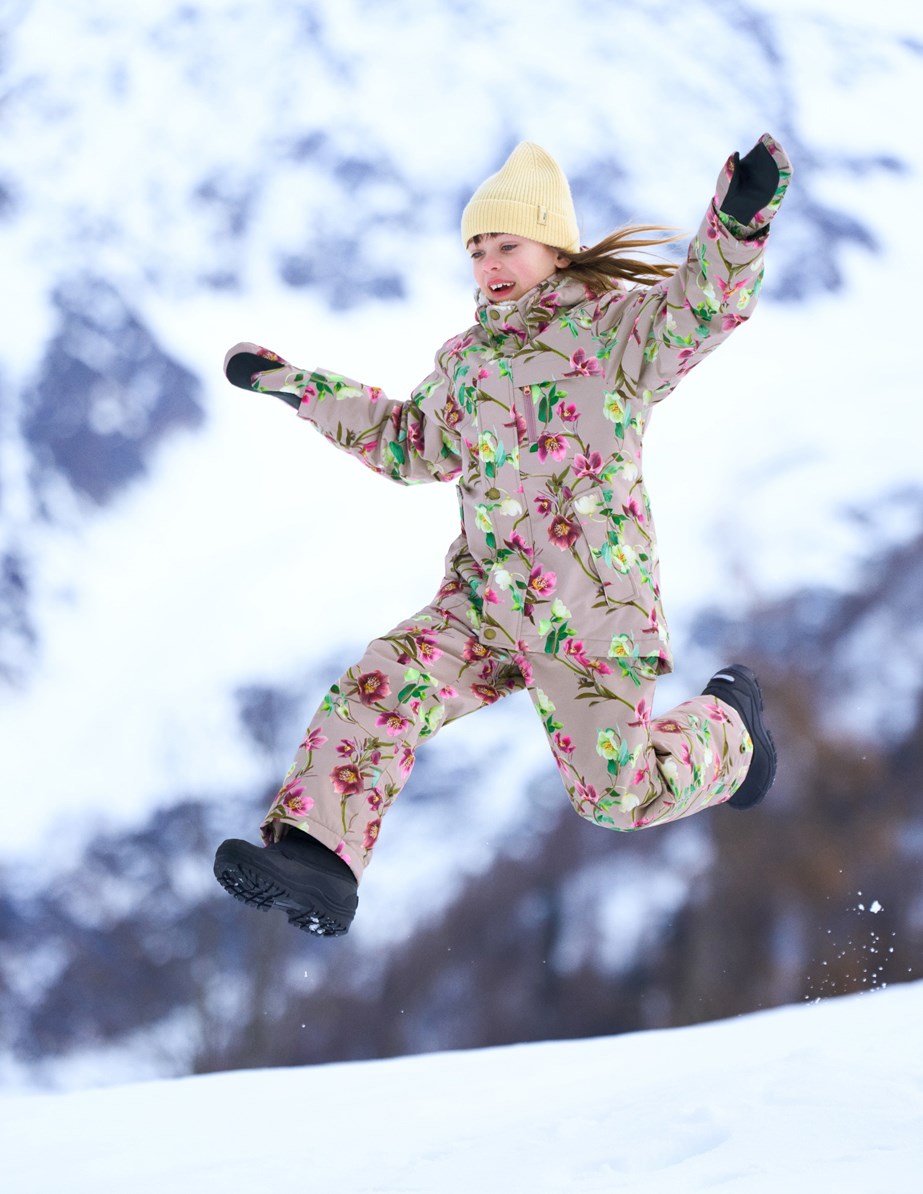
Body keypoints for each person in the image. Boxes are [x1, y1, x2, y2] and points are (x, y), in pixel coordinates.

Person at [214, 135, 792, 936]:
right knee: (383, 684)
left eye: (506, 244)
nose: (488, 262)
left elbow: (701, 306)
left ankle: (731, 732)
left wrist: (739, 217)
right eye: (476, 249)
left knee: (613, 796)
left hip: (589, 609)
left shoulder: (614, 335)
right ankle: (318, 861)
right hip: (484, 601)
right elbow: (407, 444)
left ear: (554, 248)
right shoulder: (468, 363)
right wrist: (293, 385)